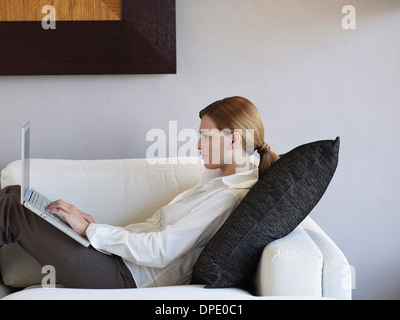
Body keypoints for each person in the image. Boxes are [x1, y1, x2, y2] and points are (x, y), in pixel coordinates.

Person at [0, 96, 279, 289]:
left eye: (206, 136)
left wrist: (90, 232)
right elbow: (152, 233)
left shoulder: (227, 198)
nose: (197, 145)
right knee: (14, 194)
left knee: (14, 209)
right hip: (116, 260)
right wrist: (94, 228)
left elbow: (160, 250)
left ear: (233, 139)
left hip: (123, 276)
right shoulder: (220, 182)